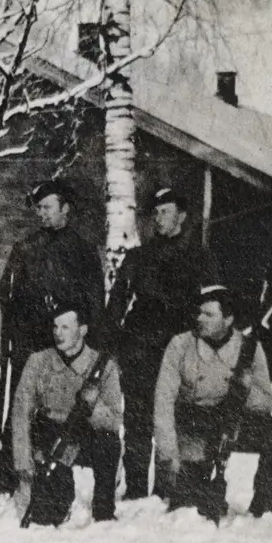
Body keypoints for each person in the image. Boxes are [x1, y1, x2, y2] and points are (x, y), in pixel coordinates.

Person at [106, 186, 220, 501]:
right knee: (138, 419)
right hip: (141, 349)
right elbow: (117, 303)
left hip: (180, 350)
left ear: (182, 216)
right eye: (155, 213)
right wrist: (112, 342)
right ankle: (137, 489)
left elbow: (211, 305)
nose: (159, 218)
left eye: (165, 211)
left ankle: (168, 487)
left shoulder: (200, 258)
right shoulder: (138, 257)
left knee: (175, 417)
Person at [0, 179, 104, 495]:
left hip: (69, 347)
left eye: (48, 207)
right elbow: (7, 294)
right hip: (31, 343)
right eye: (39, 208)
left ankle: (58, 472)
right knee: (20, 405)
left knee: (66, 410)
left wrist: (90, 345)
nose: (41, 213)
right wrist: (15, 333)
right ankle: (9, 475)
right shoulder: (25, 248)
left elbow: (95, 301)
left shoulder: (84, 251)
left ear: (65, 209)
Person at [153, 285, 272, 519]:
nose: (200, 319)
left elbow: (266, 403)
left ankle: (263, 504)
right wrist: (168, 454)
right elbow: (163, 402)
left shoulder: (249, 348)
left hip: (231, 423)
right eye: (199, 313)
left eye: (209, 315)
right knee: (187, 510)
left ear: (228, 319)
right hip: (193, 425)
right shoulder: (180, 345)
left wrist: (245, 390)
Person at [11, 303, 122, 527]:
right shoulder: (38, 361)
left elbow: (114, 420)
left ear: (82, 330)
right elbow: (21, 412)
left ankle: (104, 510)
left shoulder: (104, 365)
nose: (57, 333)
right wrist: (23, 461)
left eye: (65, 327)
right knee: (47, 515)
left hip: (86, 434)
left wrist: (94, 405)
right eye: (55, 327)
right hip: (49, 435)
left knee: (109, 443)